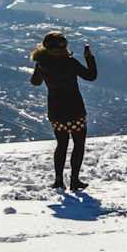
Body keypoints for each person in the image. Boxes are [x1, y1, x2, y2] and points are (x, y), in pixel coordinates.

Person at [30, 31, 97, 190]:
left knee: (61, 144)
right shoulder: (70, 62)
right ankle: (74, 181)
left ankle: (59, 180)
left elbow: (35, 82)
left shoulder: (42, 62)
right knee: (78, 144)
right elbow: (91, 76)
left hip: (56, 110)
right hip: (75, 109)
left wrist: (39, 66)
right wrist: (89, 57)